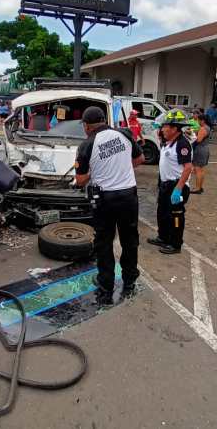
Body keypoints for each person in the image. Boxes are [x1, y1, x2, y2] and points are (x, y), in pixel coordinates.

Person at [75, 106, 145, 302]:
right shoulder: (123, 133)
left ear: (87, 126)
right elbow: (140, 158)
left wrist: (93, 173)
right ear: (104, 121)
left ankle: (106, 285)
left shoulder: (87, 144)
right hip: (129, 196)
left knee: (104, 243)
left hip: (105, 200)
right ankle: (130, 281)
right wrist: (120, 168)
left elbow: (80, 180)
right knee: (130, 240)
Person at [147, 109, 193, 255]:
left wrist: (178, 189)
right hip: (166, 185)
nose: (163, 129)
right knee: (162, 213)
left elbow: (188, 168)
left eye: (165, 127)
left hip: (176, 186)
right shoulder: (169, 142)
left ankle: (175, 244)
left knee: (176, 216)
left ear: (174, 129)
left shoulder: (182, 144)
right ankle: (163, 237)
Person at [191, 113, 211, 194]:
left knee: (198, 169)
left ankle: (197, 188)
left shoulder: (203, 128)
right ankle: (200, 187)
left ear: (202, 120)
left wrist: (192, 138)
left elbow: (198, 140)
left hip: (200, 149)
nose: (198, 121)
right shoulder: (208, 127)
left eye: (198, 120)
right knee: (201, 170)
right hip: (205, 149)